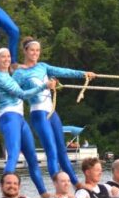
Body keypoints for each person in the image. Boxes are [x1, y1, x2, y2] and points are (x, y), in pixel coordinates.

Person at [13, 36, 96, 185]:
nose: (35, 53)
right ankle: (59, 187)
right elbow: (16, 94)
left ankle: (77, 185)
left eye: (37, 50)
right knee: (51, 152)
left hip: (52, 113)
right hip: (38, 113)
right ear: (25, 51)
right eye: (32, 50)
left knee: (62, 152)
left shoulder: (43, 67)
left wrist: (83, 74)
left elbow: (64, 72)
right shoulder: (20, 73)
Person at [0, 47, 51, 195]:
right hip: (9, 117)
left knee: (32, 157)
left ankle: (43, 193)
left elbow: (19, 82)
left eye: (8, 56)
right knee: (13, 154)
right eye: (3, 57)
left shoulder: (8, 76)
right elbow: (22, 94)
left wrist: (24, 70)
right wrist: (44, 85)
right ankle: (7, 192)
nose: (6, 59)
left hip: (19, 118)